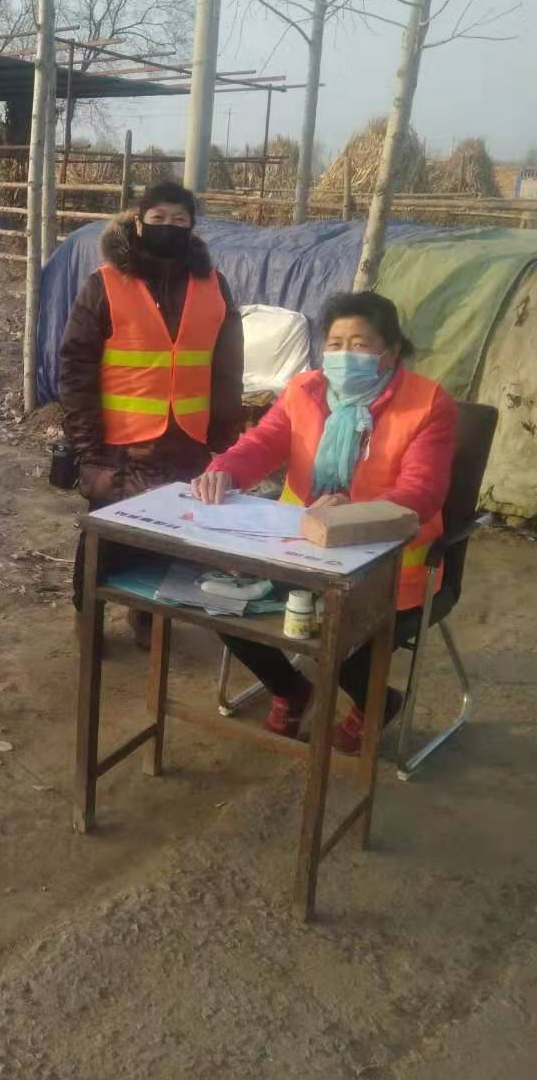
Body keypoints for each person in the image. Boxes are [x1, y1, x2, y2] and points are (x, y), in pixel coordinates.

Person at [192, 291, 457, 752]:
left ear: (391, 352)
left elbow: (423, 490)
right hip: (298, 548)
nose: (343, 355)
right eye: (335, 344)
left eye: (360, 344)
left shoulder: (428, 403)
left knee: (337, 637)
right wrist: (224, 471)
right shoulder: (304, 390)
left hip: (389, 565)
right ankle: (290, 688)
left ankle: (377, 703)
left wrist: (352, 513)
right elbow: (263, 443)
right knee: (222, 601)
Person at [60, 181, 244, 647]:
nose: (168, 227)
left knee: (173, 537)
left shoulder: (214, 285)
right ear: (139, 223)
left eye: (179, 219)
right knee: (104, 541)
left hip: (188, 441)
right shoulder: (104, 283)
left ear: (192, 227)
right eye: (158, 218)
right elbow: (76, 365)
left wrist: (225, 437)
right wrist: (86, 445)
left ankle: (148, 615)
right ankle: (88, 619)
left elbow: (228, 365)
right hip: (119, 445)